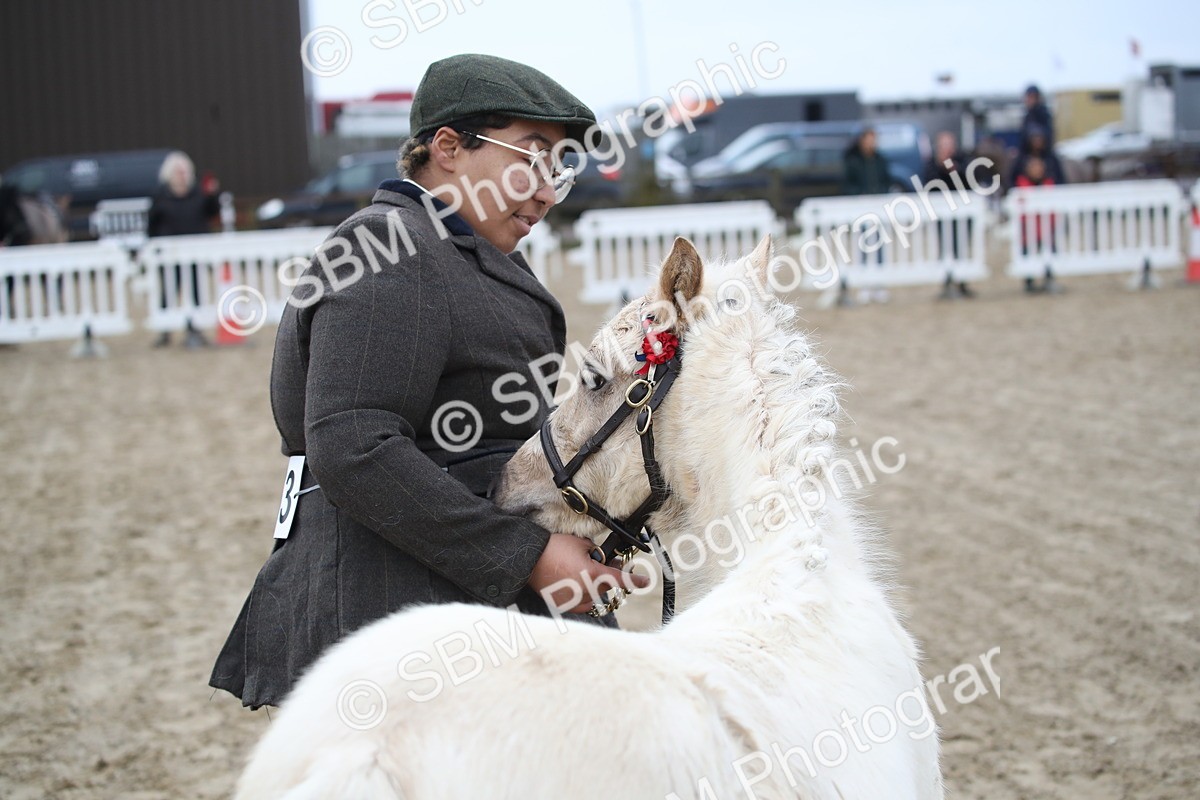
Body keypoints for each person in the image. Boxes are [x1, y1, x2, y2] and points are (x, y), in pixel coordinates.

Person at [210, 54, 645, 710]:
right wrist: (527, 557)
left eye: (560, 165)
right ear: (449, 147)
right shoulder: (391, 248)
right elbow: (353, 446)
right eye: (532, 155)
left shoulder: (451, 252)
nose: (550, 190)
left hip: (453, 596)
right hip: (392, 611)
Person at [147, 151, 220, 347]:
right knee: (169, 292)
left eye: (184, 171)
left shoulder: (198, 193)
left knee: (196, 290)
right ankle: (165, 331)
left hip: (195, 252)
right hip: (169, 254)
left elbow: (212, 213)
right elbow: (151, 224)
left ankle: (195, 328)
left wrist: (213, 195)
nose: (182, 175)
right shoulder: (161, 196)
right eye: (178, 172)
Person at [841, 126, 894, 303]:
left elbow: (887, 180)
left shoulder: (881, 159)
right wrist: (859, 195)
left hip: (879, 208)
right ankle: (865, 283)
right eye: (870, 138)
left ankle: (878, 284)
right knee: (862, 246)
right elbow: (848, 184)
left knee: (879, 245)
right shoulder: (853, 160)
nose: (873, 142)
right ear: (862, 140)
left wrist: (882, 193)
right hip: (860, 209)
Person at [923, 131, 975, 299]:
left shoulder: (964, 160)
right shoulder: (931, 164)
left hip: (962, 214)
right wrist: (941, 168)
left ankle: (962, 282)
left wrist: (955, 170)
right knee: (945, 248)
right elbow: (928, 185)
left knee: (961, 248)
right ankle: (946, 282)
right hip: (942, 215)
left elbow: (970, 182)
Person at [1013, 156, 1059, 293]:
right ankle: (1029, 282)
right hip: (1028, 228)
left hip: (1045, 227)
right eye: (1034, 168)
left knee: (1049, 253)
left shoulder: (1048, 183)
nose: (1037, 170)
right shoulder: (1022, 184)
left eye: (1039, 167)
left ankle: (1049, 279)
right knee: (1028, 254)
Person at [1019, 84, 1055, 154]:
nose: (1029, 100)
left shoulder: (1044, 115)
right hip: (1027, 153)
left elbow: (1049, 136)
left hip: (1044, 153)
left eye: (1032, 97)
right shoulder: (1027, 117)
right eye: (1028, 97)